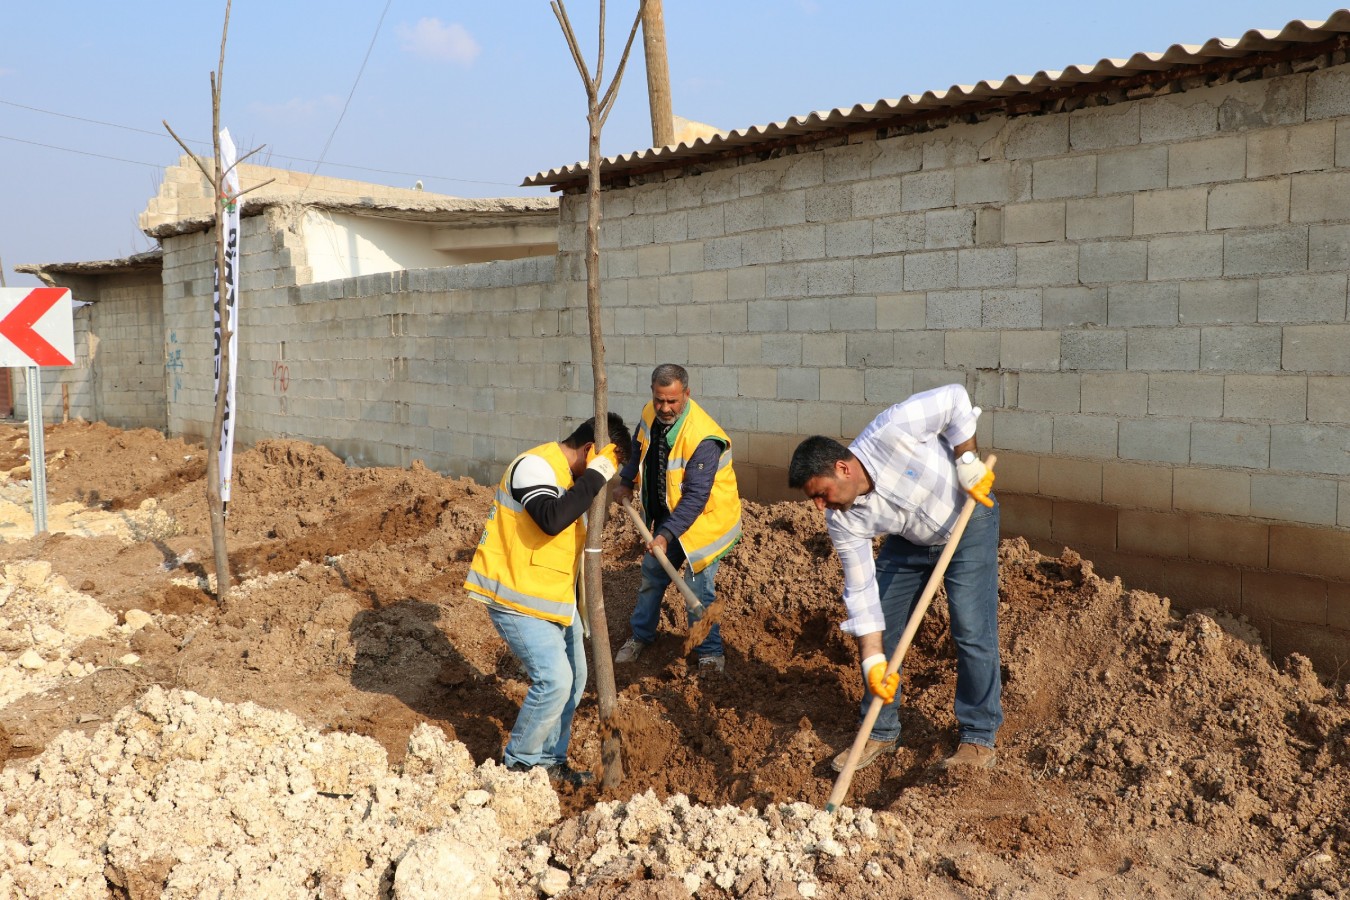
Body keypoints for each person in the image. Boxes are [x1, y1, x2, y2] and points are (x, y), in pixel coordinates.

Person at [787, 383, 1001, 773]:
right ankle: (880, 730)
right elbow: (861, 590)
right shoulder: (842, 519)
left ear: (842, 468)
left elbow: (954, 398)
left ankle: (978, 734)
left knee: (971, 628)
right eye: (814, 500)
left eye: (822, 493)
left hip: (967, 520)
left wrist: (966, 458)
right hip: (910, 542)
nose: (820, 505)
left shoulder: (891, 430)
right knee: (881, 630)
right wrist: (872, 661)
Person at [464, 412, 631, 787]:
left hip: (552, 601)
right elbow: (552, 519)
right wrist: (596, 476)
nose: (609, 477)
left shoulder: (571, 479)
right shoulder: (533, 467)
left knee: (576, 680)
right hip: (516, 599)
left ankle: (550, 760)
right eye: (609, 466)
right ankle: (519, 765)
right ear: (591, 450)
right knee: (555, 680)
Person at [612, 364, 743, 675]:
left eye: (672, 401)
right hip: (667, 515)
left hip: (704, 523)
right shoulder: (649, 413)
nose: (665, 408)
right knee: (652, 575)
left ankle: (710, 652)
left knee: (698, 590)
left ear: (687, 394)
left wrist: (664, 535)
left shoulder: (703, 437)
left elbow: (696, 498)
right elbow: (638, 444)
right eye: (659, 400)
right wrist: (627, 478)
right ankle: (641, 636)